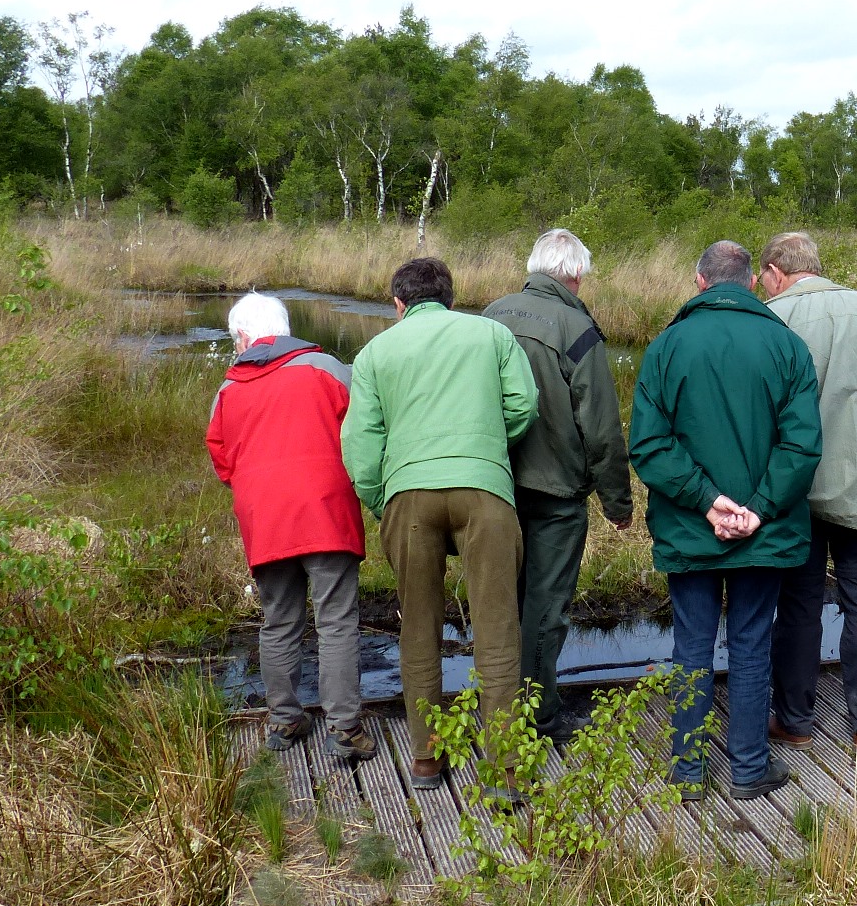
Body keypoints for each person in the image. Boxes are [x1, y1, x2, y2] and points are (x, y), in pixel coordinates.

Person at [629, 241, 822, 801]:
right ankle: (747, 768)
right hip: (764, 532)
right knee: (751, 642)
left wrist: (706, 502)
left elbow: (648, 444)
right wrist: (756, 508)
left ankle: (687, 771)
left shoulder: (667, 346)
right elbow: (803, 445)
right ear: (753, 283)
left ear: (699, 281)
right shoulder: (787, 346)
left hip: (692, 526)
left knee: (691, 646)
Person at [341, 257, 539, 791]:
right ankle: (503, 768)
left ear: (398, 303)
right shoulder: (492, 335)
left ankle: (427, 758)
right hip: (485, 491)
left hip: (409, 494)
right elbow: (524, 404)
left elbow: (360, 447)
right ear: (450, 297)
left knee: (418, 627)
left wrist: (384, 501)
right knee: (498, 632)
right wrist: (488, 450)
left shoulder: (375, 352)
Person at [758, 231, 857, 755]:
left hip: (791, 492)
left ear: (776, 272)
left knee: (797, 605)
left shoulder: (771, 319)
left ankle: (795, 722)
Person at [207, 292, 375, 761]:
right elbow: (363, 430)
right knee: (337, 622)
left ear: (243, 337)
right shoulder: (328, 370)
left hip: (266, 520)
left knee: (278, 622)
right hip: (327, 513)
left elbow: (222, 459)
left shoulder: (229, 389)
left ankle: (284, 721)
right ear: (284, 328)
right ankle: (344, 729)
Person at [485, 229, 632, 742]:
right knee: (545, 610)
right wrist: (618, 502)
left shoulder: (490, 315)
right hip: (556, 494)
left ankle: (498, 707)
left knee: (502, 603)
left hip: (494, 488)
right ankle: (539, 717)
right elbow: (602, 427)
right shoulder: (577, 326)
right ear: (572, 275)